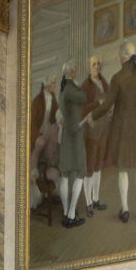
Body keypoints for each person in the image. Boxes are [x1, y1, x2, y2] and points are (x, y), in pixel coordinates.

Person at [83, 41, 136, 223]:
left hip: (120, 129)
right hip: (135, 127)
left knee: (123, 170)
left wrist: (92, 115)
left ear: (123, 57)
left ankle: (124, 210)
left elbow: (108, 105)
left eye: (119, 56)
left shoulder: (116, 78)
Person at [56, 61, 87, 228]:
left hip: (67, 134)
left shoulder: (62, 90)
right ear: (73, 72)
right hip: (75, 134)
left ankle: (67, 213)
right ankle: (71, 214)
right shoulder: (70, 89)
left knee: (66, 174)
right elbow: (84, 97)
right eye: (75, 70)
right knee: (80, 172)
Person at [81, 56, 111, 216]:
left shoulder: (104, 82)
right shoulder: (86, 86)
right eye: (94, 64)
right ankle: (88, 203)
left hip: (104, 129)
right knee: (90, 167)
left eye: (99, 64)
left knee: (99, 165)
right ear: (89, 67)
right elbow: (82, 108)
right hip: (92, 131)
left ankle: (96, 199)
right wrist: (97, 104)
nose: (97, 67)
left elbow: (109, 100)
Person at [29, 75, 60, 210]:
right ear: (47, 84)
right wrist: (37, 137)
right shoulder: (37, 101)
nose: (55, 85)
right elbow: (32, 125)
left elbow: (57, 114)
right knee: (39, 146)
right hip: (39, 135)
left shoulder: (53, 98)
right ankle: (35, 173)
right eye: (53, 82)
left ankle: (52, 189)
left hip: (48, 133)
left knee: (56, 145)